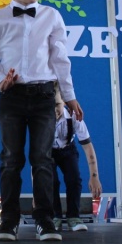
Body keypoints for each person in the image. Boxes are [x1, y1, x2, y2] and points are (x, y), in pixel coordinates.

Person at [0, 0, 84, 243]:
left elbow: (60, 59)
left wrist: (69, 96)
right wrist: (0, 80)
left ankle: (45, 220)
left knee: (43, 159)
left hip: (44, 96)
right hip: (12, 96)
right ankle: (9, 221)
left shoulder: (52, 16)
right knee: (11, 159)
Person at [51, 85, 102, 232]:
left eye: (57, 105)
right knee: (50, 181)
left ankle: (73, 217)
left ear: (64, 102)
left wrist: (94, 177)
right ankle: (54, 217)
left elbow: (88, 147)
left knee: (74, 180)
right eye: (50, 106)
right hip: (48, 152)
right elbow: (36, 156)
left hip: (68, 150)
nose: (54, 110)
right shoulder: (41, 120)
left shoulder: (74, 117)